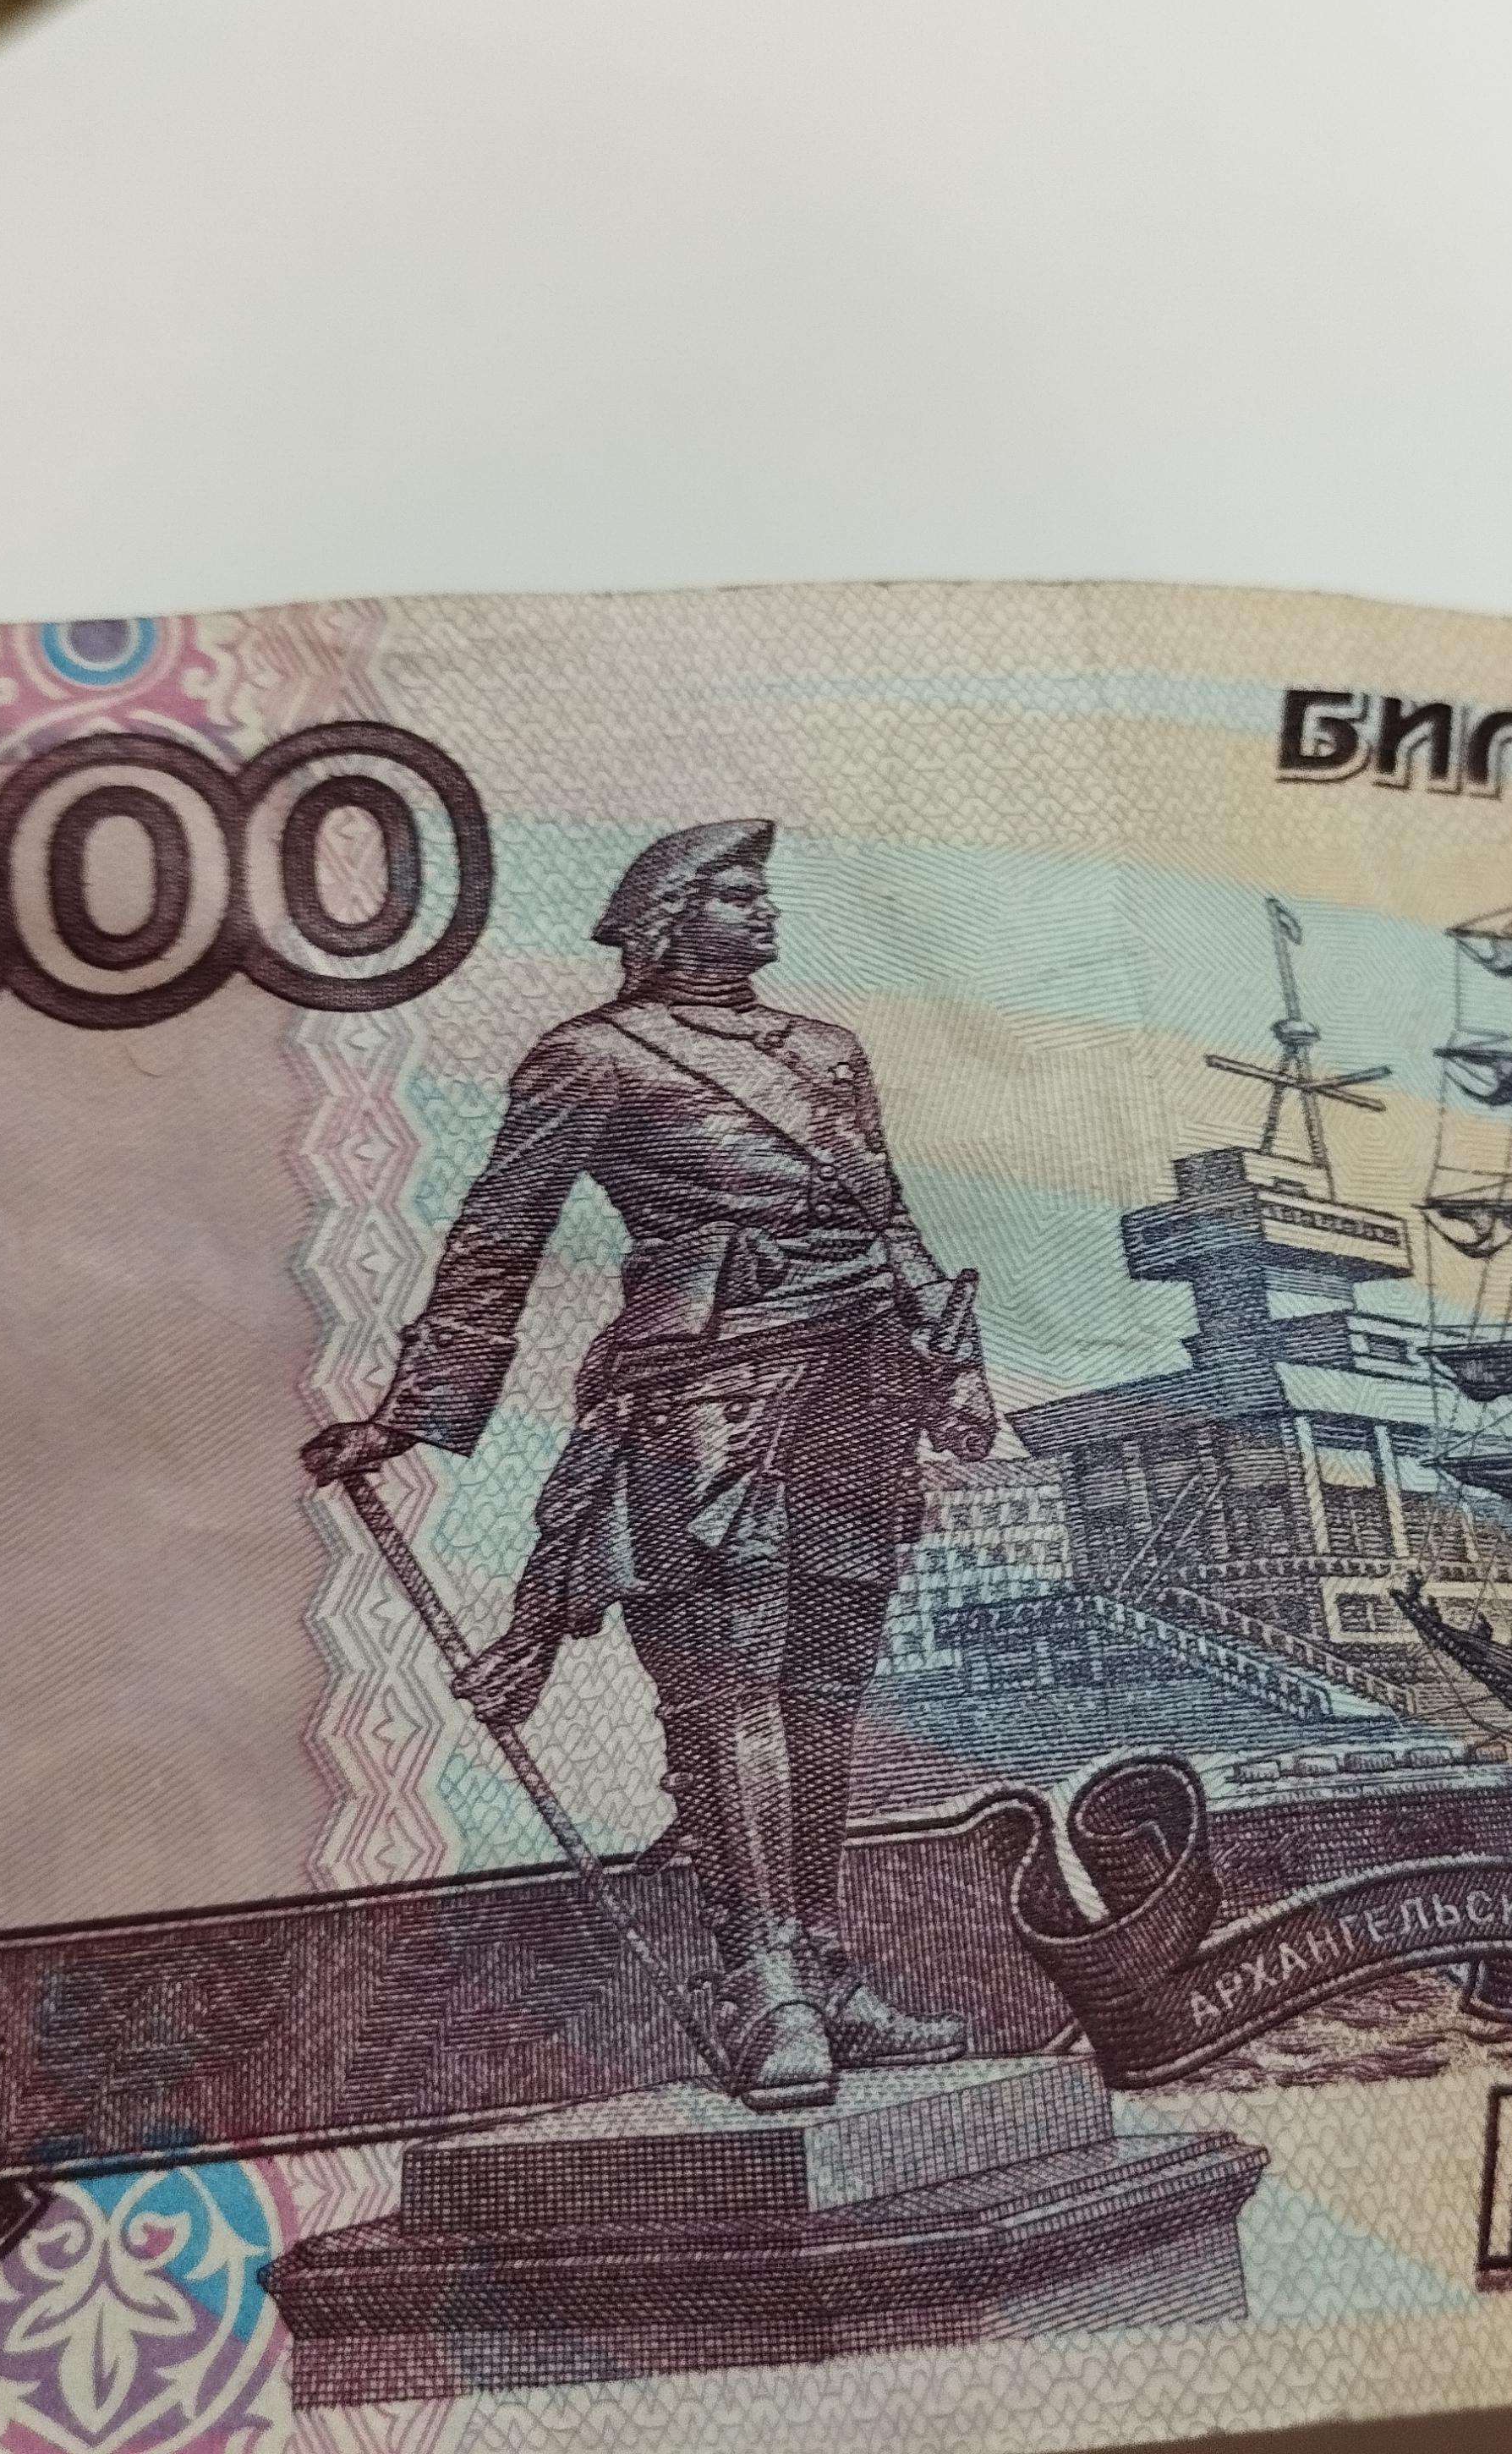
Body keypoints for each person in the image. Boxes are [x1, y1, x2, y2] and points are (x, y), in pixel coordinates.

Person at [303, 819, 994, 2110]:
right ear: (668, 918)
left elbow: (888, 1214)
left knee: (827, 1687)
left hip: (856, 1381)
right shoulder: (592, 1057)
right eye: (734, 894)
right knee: (732, 1683)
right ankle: (765, 1983)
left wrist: (952, 1363)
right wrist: (412, 1411)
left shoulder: (829, 1053)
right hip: (705, 1392)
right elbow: (499, 1236)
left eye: (764, 892)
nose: (764, 911)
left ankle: (826, 1969)